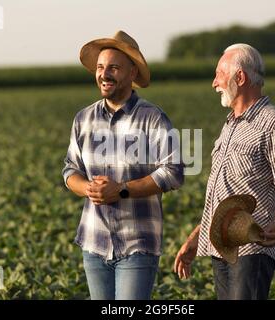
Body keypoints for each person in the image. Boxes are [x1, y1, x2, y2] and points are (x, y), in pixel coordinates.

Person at [174, 43, 275, 300]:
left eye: (219, 75)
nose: (214, 83)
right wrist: (195, 238)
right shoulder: (230, 125)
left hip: (253, 249)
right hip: (221, 247)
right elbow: (222, 194)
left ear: (241, 77)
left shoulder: (273, 123)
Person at [62, 30, 184, 300]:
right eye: (100, 67)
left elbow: (174, 172)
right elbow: (70, 169)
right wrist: (89, 189)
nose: (104, 74)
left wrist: (122, 190)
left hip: (137, 244)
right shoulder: (84, 118)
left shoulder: (153, 118)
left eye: (114, 68)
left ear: (132, 74)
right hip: (94, 244)